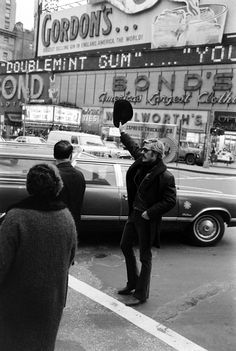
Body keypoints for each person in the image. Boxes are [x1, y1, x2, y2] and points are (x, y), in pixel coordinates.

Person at [0, 163, 77, 351]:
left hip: (16, 301)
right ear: (57, 186)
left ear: (29, 185)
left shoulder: (15, 218)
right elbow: (70, 258)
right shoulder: (66, 217)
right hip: (51, 301)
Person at [118, 124, 176, 307]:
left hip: (146, 219)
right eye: (143, 150)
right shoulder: (142, 162)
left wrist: (149, 213)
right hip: (133, 215)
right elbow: (133, 148)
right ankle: (132, 283)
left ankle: (141, 294)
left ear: (156, 155)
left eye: (147, 151)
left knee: (145, 256)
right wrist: (122, 133)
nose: (142, 153)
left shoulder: (165, 176)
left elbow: (170, 201)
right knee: (125, 245)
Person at [54, 140, 86, 236]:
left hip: (55, 224)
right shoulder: (80, 175)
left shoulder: (52, 175)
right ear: (70, 155)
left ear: (54, 155)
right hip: (74, 224)